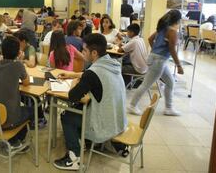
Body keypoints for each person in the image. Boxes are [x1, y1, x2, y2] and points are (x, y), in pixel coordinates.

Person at [53, 33, 127, 170]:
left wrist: (75, 81)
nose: (82, 52)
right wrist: (74, 74)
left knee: (67, 116)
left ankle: (74, 158)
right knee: (82, 107)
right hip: (118, 119)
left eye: (85, 50)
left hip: (104, 123)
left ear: (94, 53)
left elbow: (73, 96)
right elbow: (93, 74)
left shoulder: (93, 73)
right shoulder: (112, 64)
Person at [128, 9, 184, 116]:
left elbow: (150, 39)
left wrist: (155, 51)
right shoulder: (172, 32)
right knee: (146, 84)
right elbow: (172, 50)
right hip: (159, 61)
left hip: (155, 58)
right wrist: (179, 65)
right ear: (178, 20)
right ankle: (132, 105)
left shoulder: (162, 28)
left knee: (170, 82)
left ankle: (169, 108)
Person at [0, 36, 33, 149]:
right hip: (7, 121)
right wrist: (19, 60)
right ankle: (15, 141)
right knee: (31, 111)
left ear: (2, 51)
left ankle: (11, 138)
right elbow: (26, 82)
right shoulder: (18, 65)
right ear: (18, 52)